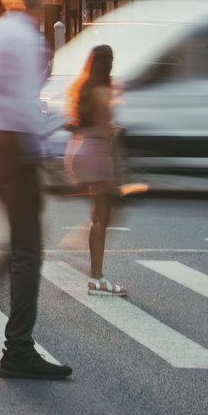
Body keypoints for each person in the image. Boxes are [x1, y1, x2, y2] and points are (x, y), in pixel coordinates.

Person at [0, 0, 71, 380]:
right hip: (15, 146)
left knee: (19, 238)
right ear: (40, 2)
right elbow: (28, 105)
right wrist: (47, 158)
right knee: (29, 249)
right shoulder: (29, 40)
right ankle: (19, 349)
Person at [65, 45, 128, 297]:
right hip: (100, 155)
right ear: (108, 63)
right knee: (105, 215)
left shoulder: (85, 87)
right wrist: (116, 129)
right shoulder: (102, 92)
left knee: (101, 216)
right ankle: (97, 276)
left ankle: (95, 268)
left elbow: (80, 122)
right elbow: (106, 125)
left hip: (83, 151)